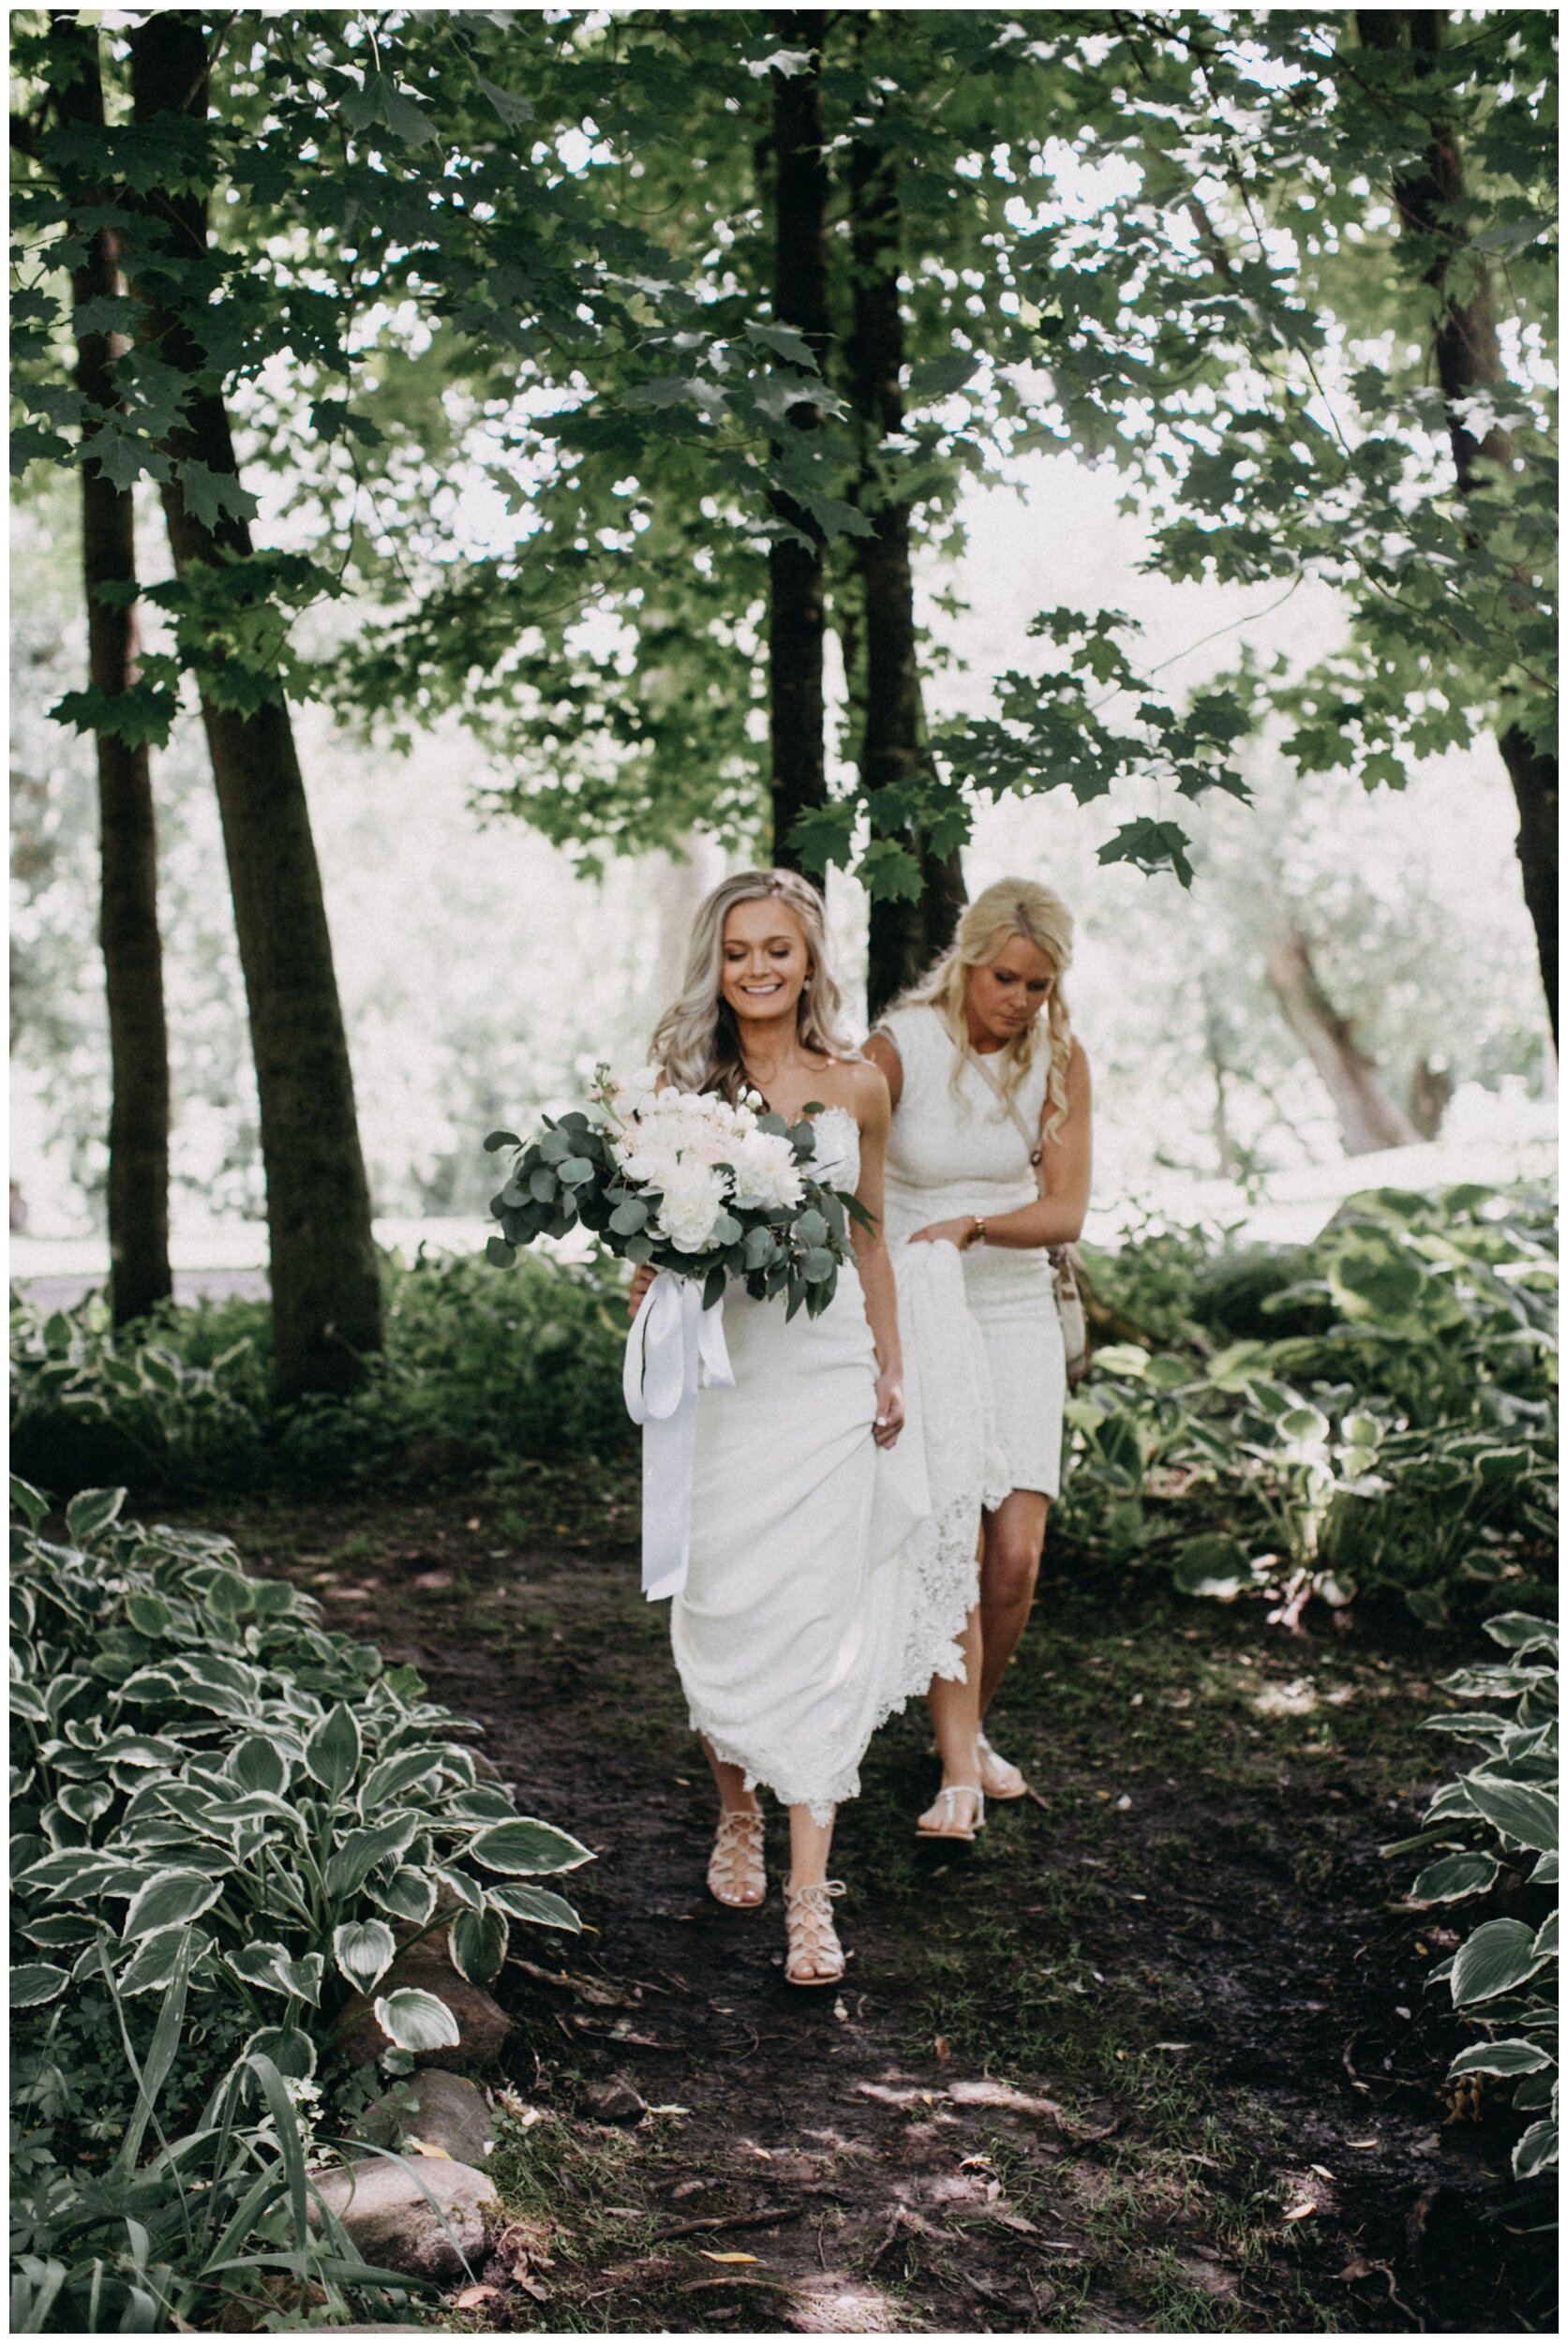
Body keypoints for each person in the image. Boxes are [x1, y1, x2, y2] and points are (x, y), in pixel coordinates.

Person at [629, 870, 965, 1988]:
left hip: (824, 1374)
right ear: (714, 966)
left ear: (810, 960)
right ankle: (737, 1813)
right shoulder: (685, 1088)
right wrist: (648, 1273)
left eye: (777, 949)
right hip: (725, 1378)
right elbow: (653, 1235)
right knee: (725, 1603)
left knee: (820, 1616)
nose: (757, 969)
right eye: (737, 953)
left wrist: (891, 1366)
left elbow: (868, 1237)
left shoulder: (859, 1085)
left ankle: (811, 1896)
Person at [866, 879, 1092, 1831]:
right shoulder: (898, 1046)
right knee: (953, 1532)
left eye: (1038, 985)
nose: (1019, 1000)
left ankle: (963, 1728)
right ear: (965, 961)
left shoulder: (1059, 1059)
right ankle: (957, 1762)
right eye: (1006, 978)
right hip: (922, 1307)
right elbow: (857, 1198)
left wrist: (975, 1222)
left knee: (1015, 1557)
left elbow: (1064, 1210)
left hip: (1010, 1305)